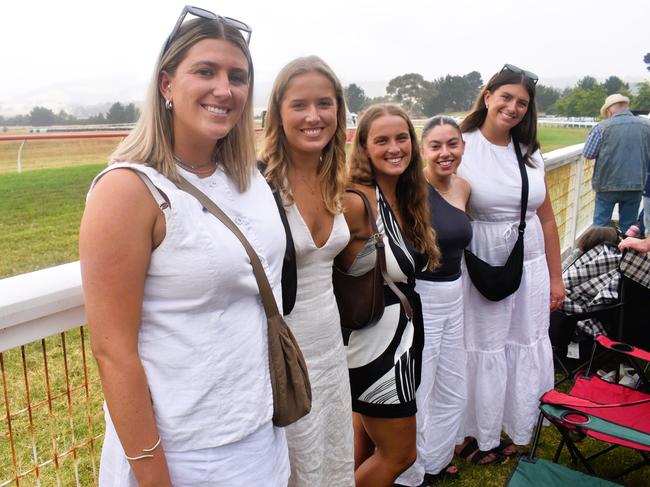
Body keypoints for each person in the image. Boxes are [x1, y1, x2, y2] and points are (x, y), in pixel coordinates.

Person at [79, 8, 289, 486]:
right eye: (205, 71)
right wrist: (154, 475)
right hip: (183, 450)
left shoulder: (249, 178)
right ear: (167, 85)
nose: (224, 89)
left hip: (260, 432)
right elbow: (114, 353)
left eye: (238, 76)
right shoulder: (127, 191)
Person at [455, 64, 565, 464]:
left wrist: (556, 277)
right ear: (487, 96)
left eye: (522, 102)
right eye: (506, 97)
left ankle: (515, 429)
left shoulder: (530, 152)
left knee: (523, 341)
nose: (513, 107)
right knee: (481, 345)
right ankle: (472, 430)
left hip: (529, 263)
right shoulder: (460, 145)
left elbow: (547, 217)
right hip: (481, 263)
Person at [258, 56, 355, 487]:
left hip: (330, 345)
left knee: (330, 458)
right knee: (291, 466)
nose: (314, 116)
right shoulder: (256, 185)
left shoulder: (335, 176)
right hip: (280, 354)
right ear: (277, 113)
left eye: (325, 103)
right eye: (299, 105)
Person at [336, 103, 440, 487]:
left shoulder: (407, 195)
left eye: (401, 138)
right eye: (381, 140)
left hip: (402, 338)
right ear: (363, 146)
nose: (394, 147)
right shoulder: (355, 201)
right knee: (399, 455)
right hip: (374, 346)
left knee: (362, 450)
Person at [396, 116, 472, 486]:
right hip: (422, 298)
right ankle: (411, 472)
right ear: (423, 150)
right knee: (420, 387)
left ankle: (437, 459)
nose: (446, 153)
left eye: (452, 144)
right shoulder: (409, 190)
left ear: (462, 146)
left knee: (452, 383)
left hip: (455, 296)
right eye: (436, 146)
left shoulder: (463, 188)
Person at [583, 93, 650, 233]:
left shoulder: (602, 127)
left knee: (601, 226)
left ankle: (601, 252)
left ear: (609, 111)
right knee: (629, 227)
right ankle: (625, 253)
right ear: (626, 107)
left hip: (606, 184)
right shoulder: (646, 126)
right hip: (636, 184)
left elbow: (588, 153)